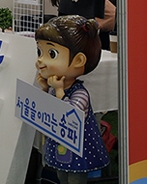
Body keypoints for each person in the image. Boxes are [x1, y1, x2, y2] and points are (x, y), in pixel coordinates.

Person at [35, 15, 109, 183]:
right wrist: (46, 89)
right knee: (61, 176)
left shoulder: (80, 93)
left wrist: (59, 91)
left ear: (78, 60)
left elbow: (71, 115)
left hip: (78, 149)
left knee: (75, 179)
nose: (40, 60)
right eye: (40, 52)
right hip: (61, 144)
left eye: (51, 54)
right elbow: (48, 108)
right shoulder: (55, 87)